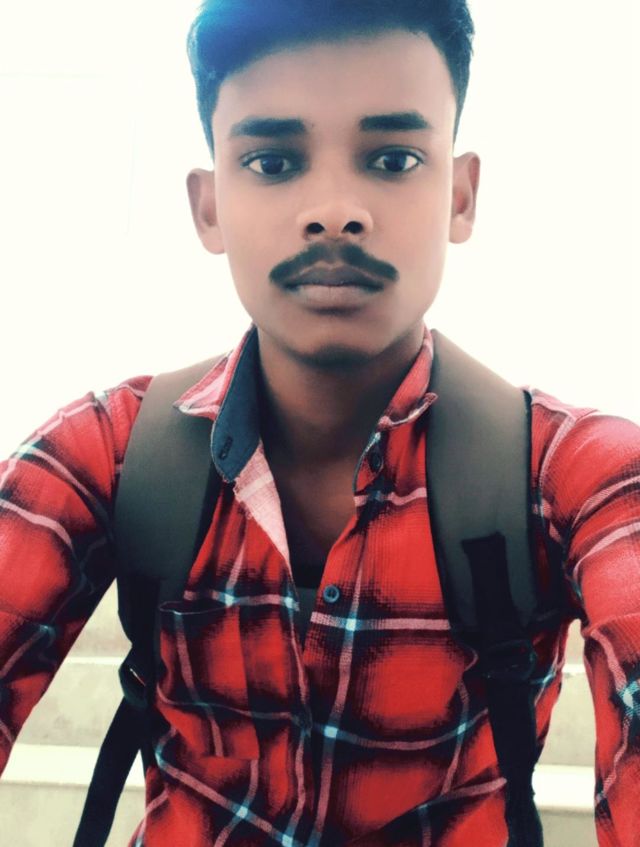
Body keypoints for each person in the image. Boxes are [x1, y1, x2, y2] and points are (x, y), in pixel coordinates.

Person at [1, 1, 638, 845]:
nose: (335, 211)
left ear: (459, 195)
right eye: (272, 161)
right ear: (209, 207)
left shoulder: (576, 475)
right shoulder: (106, 454)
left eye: (392, 158)